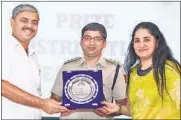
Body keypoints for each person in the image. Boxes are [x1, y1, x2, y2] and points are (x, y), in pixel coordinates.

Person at [101, 22, 180, 119]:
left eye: (147, 40)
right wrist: (118, 108)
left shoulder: (169, 70)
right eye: (137, 41)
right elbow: (134, 109)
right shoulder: (132, 73)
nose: (141, 45)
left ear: (157, 43)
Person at [2, 4, 68, 119]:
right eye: (24, 21)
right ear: (12, 22)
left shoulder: (33, 55)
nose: (30, 26)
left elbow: (34, 93)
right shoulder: (3, 48)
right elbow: (2, 86)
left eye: (34, 22)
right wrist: (42, 103)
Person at [50, 22, 127, 119]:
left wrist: (109, 112)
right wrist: (61, 107)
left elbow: (123, 106)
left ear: (104, 43)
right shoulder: (67, 67)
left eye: (97, 39)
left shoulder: (114, 69)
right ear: (81, 42)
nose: (92, 43)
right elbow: (54, 99)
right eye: (87, 38)